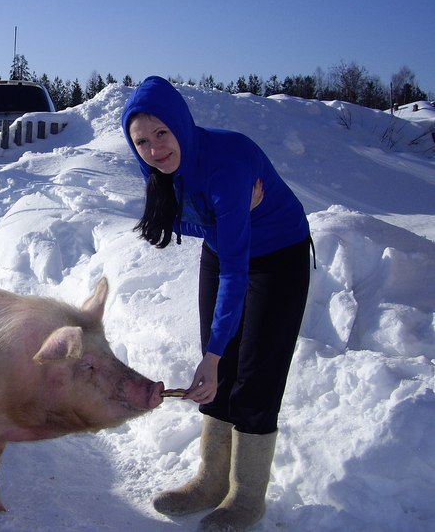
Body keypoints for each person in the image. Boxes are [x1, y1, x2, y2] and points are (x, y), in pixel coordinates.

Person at [121, 76, 312, 532]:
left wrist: (212, 354)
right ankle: (210, 481)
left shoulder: (228, 164)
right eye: (141, 142)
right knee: (220, 367)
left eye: (162, 133)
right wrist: (225, 220)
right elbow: (179, 221)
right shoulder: (159, 168)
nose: (154, 149)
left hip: (277, 256)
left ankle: (246, 496)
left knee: (256, 371)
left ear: (181, 125)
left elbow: (235, 274)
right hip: (224, 247)